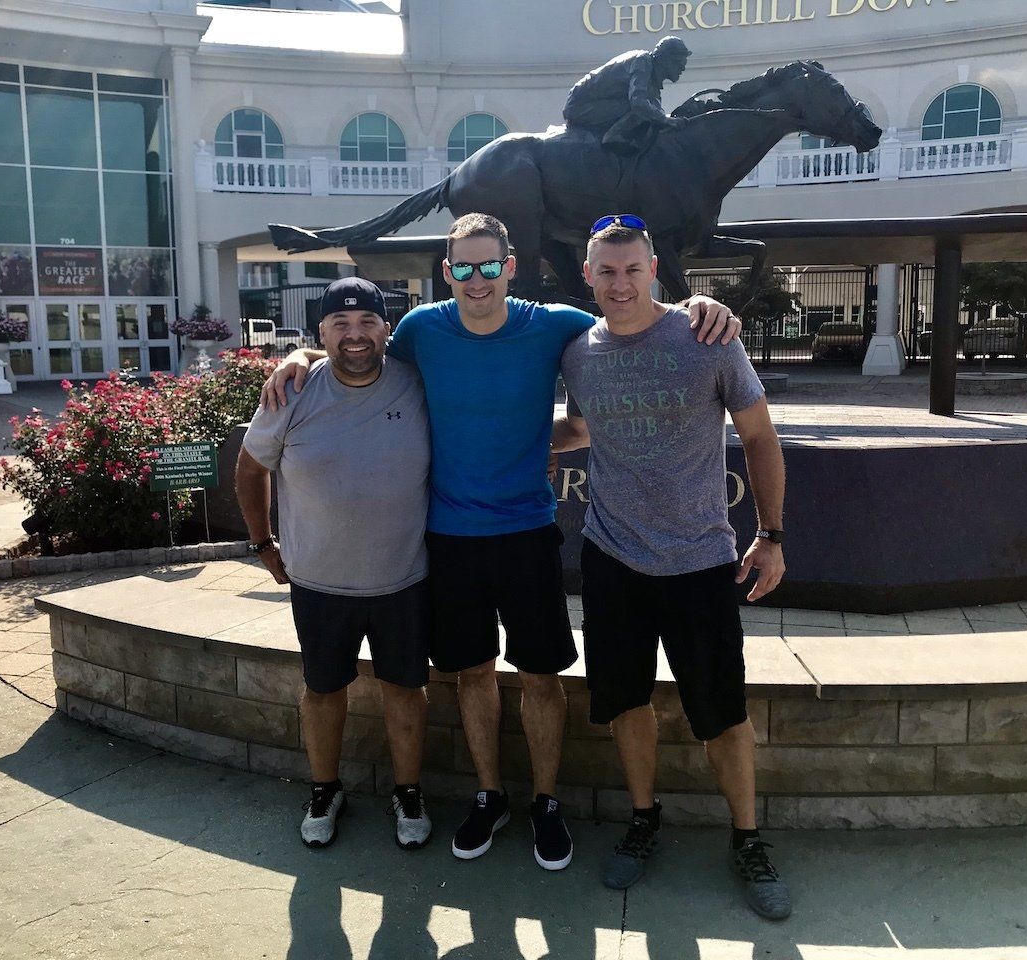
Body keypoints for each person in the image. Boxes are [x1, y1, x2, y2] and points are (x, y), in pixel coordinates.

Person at [262, 213, 741, 871]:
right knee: (474, 673)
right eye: (464, 266)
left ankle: (545, 801)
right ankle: (489, 796)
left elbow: (632, 313)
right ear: (447, 271)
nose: (478, 278)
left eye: (490, 265)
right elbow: (357, 351)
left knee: (541, 677)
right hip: (449, 539)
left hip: (527, 535)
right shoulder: (421, 329)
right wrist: (302, 355)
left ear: (510, 267)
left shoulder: (555, 325)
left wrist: (697, 307)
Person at [551, 217, 790, 919]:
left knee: (722, 713)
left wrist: (770, 535)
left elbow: (759, 435)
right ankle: (643, 817)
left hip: (700, 560)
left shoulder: (707, 336)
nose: (620, 283)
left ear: (653, 270)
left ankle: (747, 837)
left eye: (632, 269)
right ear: (588, 276)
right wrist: (505, 438)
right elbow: (581, 428)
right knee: (627, 703)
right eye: (606, 271)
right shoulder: (578, 353)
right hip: (612, 558)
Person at [235, 277, 434, 852]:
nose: (355, 334)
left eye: (367, 321)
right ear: (321, 332)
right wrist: (262, 544)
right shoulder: (291, 393)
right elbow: (250, 468)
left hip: (403, 579)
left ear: (386, 328)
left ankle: (408, 792)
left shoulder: (416, 382)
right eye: (340, 324)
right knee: (322, 690)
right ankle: (324, 790)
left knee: (405, 690)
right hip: (319, 583)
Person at [562, 36, 692, 155]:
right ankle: (613, 136)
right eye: (678, 62)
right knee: (642, 108)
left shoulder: (652, 81)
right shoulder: (642, 62)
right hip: (579, 107)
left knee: (649, 110)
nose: (683, 68)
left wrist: (667, 120)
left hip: (596, 104)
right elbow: (638, 103)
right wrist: (666, 120)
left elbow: (656, 111)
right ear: (665, 59)